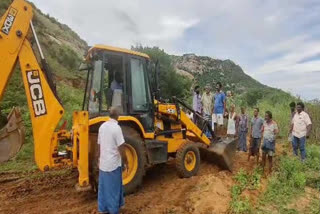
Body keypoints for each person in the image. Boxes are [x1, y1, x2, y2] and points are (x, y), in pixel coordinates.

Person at [97, 107, 128, 214]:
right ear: (118, 116)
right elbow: (121, 147)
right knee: (113, 189)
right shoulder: (116, 128)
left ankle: (104, 208)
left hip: (103, 163)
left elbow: (99, 145)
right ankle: (113, 210)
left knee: (104, 187)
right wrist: (125, 161)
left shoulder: (102, 127)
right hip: (113, 164)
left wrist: (99, 158)